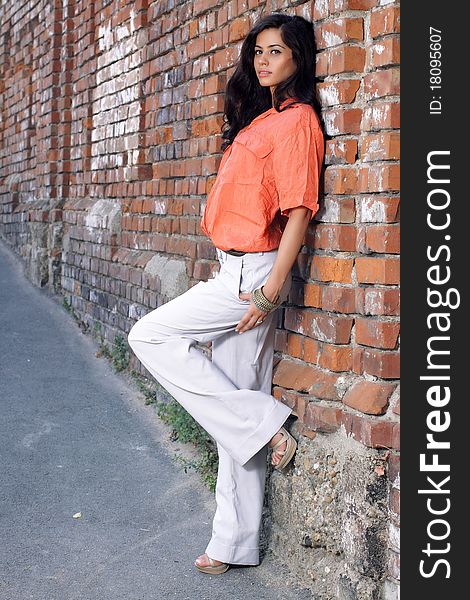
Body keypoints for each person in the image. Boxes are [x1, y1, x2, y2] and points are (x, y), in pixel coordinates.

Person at [128, 12, 324, 575]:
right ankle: (233, 543)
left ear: (298, 59)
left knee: (150, 334)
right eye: (258, 51)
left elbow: (299, 213)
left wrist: (269, 290)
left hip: (254, 276)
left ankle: (262, 424)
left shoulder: (297, 122)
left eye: (276, 52)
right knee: (233, 408)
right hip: (233, 269)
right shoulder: (264, 118)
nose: (263, 61)